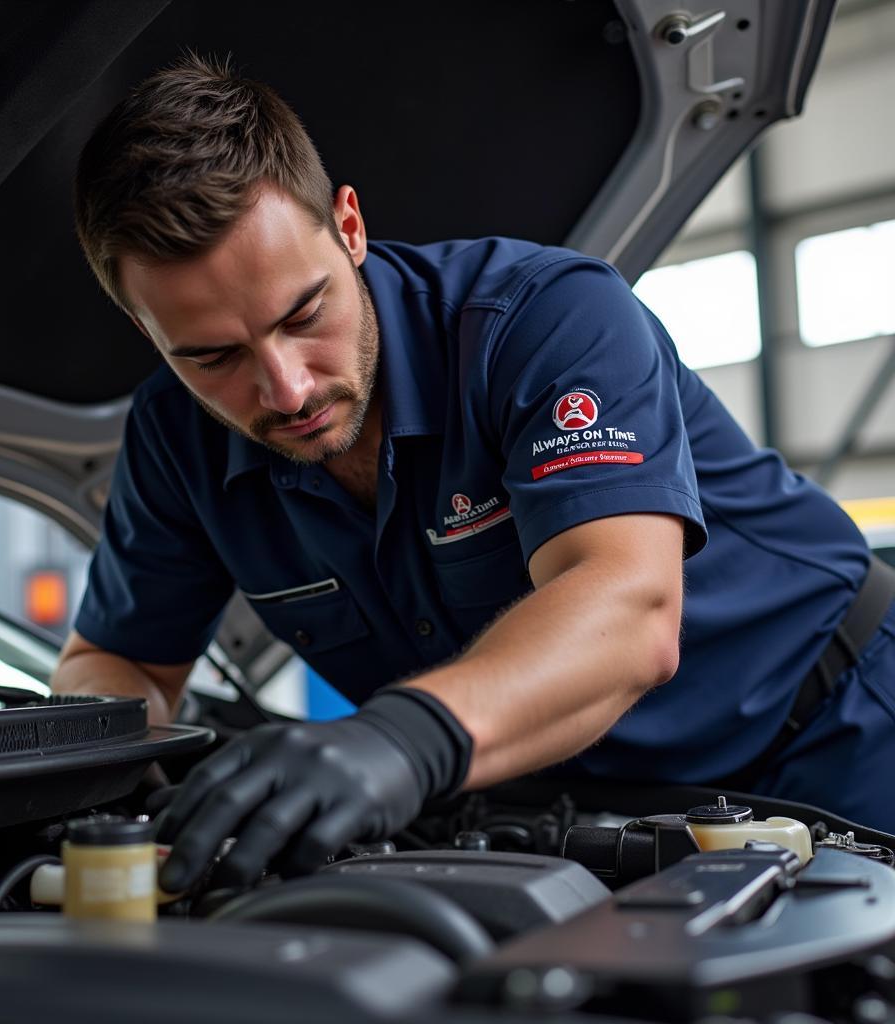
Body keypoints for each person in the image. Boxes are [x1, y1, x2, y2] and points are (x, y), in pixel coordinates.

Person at [52, 55, 895, 893]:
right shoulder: (172, 438)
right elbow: (118, 664)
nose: (287, 387)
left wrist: (401, 740)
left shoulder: (544, 319)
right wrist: (101, 778)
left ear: (349, 228)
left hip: (838, 731)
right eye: (212, 355)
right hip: (587, 814)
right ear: (143, 324)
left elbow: (628, 608)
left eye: (303, 313)